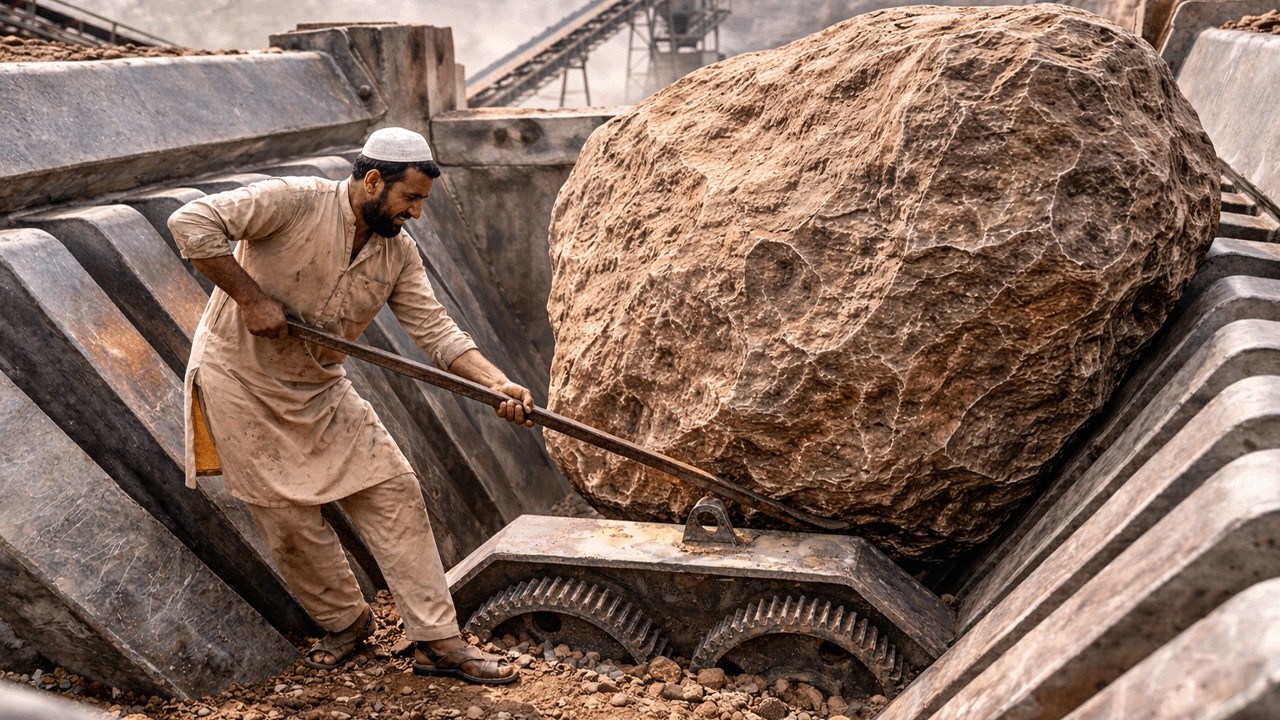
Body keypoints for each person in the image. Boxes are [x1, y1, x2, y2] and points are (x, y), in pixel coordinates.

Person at [168, 126, 530, 684]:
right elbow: (189, 221)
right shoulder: (291, 201)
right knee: (286, 519)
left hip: (319, 385)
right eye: (411, 198)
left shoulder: (397, 252)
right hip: (239, 379)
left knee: (393, 489)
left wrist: (496, 382)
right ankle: (347, 622)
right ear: (373, 180)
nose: (417, 213)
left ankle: (437, 642)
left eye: (423, 201)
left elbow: (435, 330)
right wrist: (252, 298)